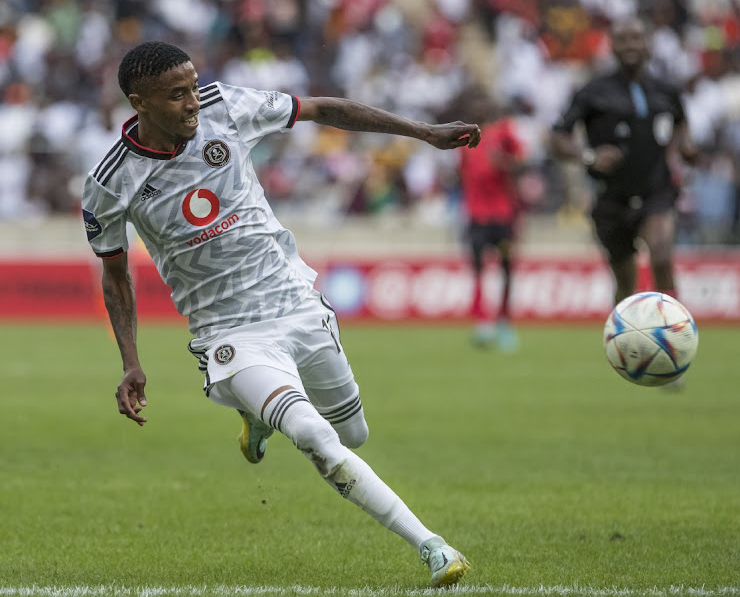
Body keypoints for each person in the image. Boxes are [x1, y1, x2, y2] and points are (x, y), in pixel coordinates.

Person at [81, 41, 480, 587]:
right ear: (139, 103)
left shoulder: (226, 106)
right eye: (177, 95)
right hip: (228, 332)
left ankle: (253, 417)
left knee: (353, 433)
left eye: (194, 87)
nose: (193, 102)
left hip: (294, 300)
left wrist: (423, 133)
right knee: (316, 438)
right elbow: (114, 274)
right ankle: (433, 547)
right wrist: (130, 360)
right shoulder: (110, 181)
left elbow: (321, 109)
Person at [549, 17, 697, 307]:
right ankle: (623, 342)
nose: (630, 45)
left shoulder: (666, 91)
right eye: (622, 39)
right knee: (625, 283)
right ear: (612, 46)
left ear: (648, 46)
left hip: (655, 192)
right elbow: (557, 138)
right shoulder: (593, 91)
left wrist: (684, 148)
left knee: (662, 256)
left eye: (636, 39)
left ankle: (676, 339)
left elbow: (681, 124)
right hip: (611, 200)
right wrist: (589, 156)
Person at [458, 98, 525, 351]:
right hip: (477, 216)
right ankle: (483, 322)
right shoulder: (464, 140)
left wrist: (505, 162)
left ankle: (505, 323)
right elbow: (464, 175)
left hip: (503, 215)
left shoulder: (504, 133)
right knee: (478, 269)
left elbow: (521, 160)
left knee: (506, 269)